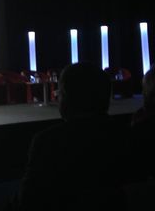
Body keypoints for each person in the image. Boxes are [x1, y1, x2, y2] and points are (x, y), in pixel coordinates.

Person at [11, 62, 136, 210]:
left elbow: (29, 199)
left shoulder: (48, 142)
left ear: (66, 98)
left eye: (60, 94)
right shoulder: (127, 135)